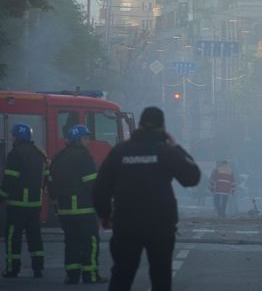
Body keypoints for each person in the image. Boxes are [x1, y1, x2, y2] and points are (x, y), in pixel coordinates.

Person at [92, 106, 200, 291]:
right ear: (162, 128)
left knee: (122, 275)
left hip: (126, 224)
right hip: (160, 225)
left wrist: (105, 215)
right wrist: (177, 147)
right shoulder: (166, 152)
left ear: (140, 125)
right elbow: (192, 177)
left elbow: (100, 187)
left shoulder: (120, 151)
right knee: (161, 276)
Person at [48, 124, 107, 284]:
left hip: (65, 210)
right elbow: (91, 185)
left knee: (71, 242)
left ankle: (72, 275)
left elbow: (50, 184)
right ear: (78, 140)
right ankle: (91, 275)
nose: (88, 142)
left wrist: (56, 205)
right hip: (84, 209)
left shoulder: (58, 157)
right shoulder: (84, 156)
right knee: (90, 242)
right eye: (86, 138)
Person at [0, 123, 47, 279]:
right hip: (34, 203)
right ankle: (38, 268)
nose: (12, 138)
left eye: (13, 135)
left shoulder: (15, 154)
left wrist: (2, 196)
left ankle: (13, 269)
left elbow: (10, 180)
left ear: (18, 137)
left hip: (17, 204)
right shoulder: (39, 153)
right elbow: (46, 177)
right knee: (35, 236)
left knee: (13, 237)